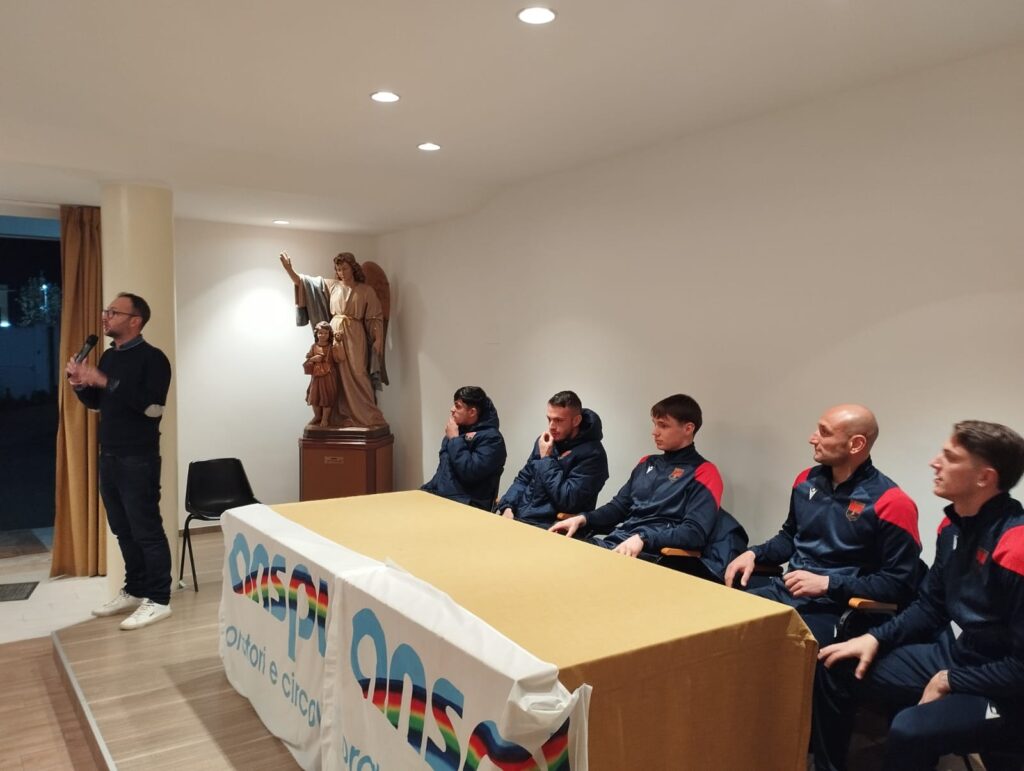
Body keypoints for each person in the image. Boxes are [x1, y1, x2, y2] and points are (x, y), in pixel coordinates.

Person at [813, 421, 1024, 771]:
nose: (934, 462)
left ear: (984, 477)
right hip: (963, 658)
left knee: (910, 730)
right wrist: (874, 638)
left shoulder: (1015, 547)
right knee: (836, 665)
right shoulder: (952, 527)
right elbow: (930, 606)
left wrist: (949, 680)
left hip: (1008, 688)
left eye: (950, 457)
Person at [724, 404, 922, 646]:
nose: (812, 438)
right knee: (721, 621)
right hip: (787, 592)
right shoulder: (806, 481)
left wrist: (827, 584)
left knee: (762, 645)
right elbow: (790, 537)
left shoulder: (891, 502)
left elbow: (898, 584)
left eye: (824, 432)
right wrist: (754, 553)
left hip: (839, 609)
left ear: (856, 444)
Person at [65, 292, 173, 631]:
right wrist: (80, 384)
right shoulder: (109, 357)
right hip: (109, 455)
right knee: (122, 529)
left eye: (113, 312)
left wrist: (104, 380)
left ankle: (159, 598)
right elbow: (100, 403)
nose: (105, 316)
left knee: (146, 530)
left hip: (138, 458)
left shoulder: (154, 359)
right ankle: (135, 588)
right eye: (106, 311)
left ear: (135, 321)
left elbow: (152, 408)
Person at [550, 394, 729, 571]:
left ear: (688, 428)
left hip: (651, 555)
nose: (655, 432)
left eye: (663, 425)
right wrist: (583, 518)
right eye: (655, 424)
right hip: (618, 544)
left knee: (574, 566)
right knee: (557, 549)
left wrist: (643, 538)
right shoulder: (646, 463)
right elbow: (618, 508)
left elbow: (694, 533)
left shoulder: (704, 472)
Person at [280, 251, 386, 428]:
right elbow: (304, 283)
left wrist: (378, 338)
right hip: (334, 333)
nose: (341, 272)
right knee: (333, 374)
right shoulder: (332, 286)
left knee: (359, 373)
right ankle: (336, 416)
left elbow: (375, 317)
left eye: (345, 268)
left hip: (355, 335)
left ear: (353, 268)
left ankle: (367, 415)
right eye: (338, 269)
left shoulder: (366, 290)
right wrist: (289, 269)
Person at [496, 390, 609, 529]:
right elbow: (523, 478)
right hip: (520, 517)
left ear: (576, 421)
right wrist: (508, 506)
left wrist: (546, 459)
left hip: (550, 526)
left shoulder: (594, 455)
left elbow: (568, 501)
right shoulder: (546, 441)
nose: (551, 426)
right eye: (549, 419)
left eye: (559, 420)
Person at [421, 386, 507, 510]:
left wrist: (454, 440)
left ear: (472, 412)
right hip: (443, 497)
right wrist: (425, 490)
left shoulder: (492, 439)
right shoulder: (457, 432)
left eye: (458, 406)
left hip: (468, 504)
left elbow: (470, 473)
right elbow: (444, 473)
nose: (452, 409)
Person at [304, 321, 342, 427]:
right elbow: (308, 359)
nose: (323, 335)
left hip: (328, 376)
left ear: (329, 334)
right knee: (314, 397)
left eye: (325, 333)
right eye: (320, 333)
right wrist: (313, 359)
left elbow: (339, 358)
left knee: (326, 397)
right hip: (316, 376)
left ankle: (325, 419)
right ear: (316, 334)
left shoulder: (331, 347)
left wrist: (338, 343)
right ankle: (317, 416)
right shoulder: (313, 347)